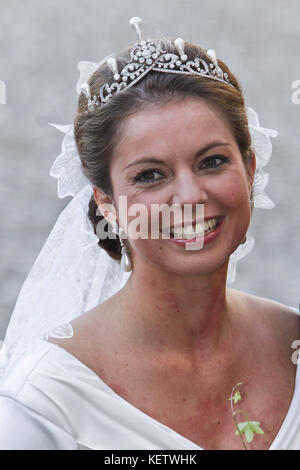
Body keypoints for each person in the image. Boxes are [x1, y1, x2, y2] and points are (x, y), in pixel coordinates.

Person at [0, 17, 299, 451]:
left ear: (250, 168)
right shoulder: (46, 406)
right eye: (151, 174)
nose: (190, 195)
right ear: (106, 201)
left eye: (212, 162)